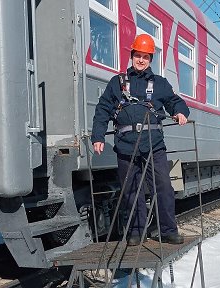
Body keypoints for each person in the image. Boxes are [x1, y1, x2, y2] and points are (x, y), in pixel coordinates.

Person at [91, 34, 189, 246]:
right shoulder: (117, 83)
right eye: (138, 55)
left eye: (146, 56)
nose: (141, 60)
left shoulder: (160, 84)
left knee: (163, 186)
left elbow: (174, 102)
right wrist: (98, 136)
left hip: (154, 145)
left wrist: (180, 112)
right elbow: (102, 110)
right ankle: (136, 232)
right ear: (132, 55)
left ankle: (168, 230)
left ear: (151, 59)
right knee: (131, 190)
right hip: (126, 146)